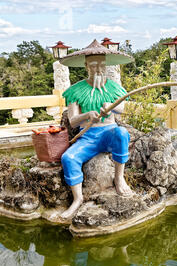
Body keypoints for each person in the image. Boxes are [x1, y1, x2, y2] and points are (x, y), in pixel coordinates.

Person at [57, 40, 135, 219]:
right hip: (88, 136)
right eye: (94, 64)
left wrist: (112, 106)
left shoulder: (114, 87)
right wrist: (88, 115)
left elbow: (123, 110)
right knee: (68, 158)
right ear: (86, 66)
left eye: (102, 64)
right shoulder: (75, 91)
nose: (98, 68)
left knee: (122, 133)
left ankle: (119, 178)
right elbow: (73, 121)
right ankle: (77, 199)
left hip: (109, 132)